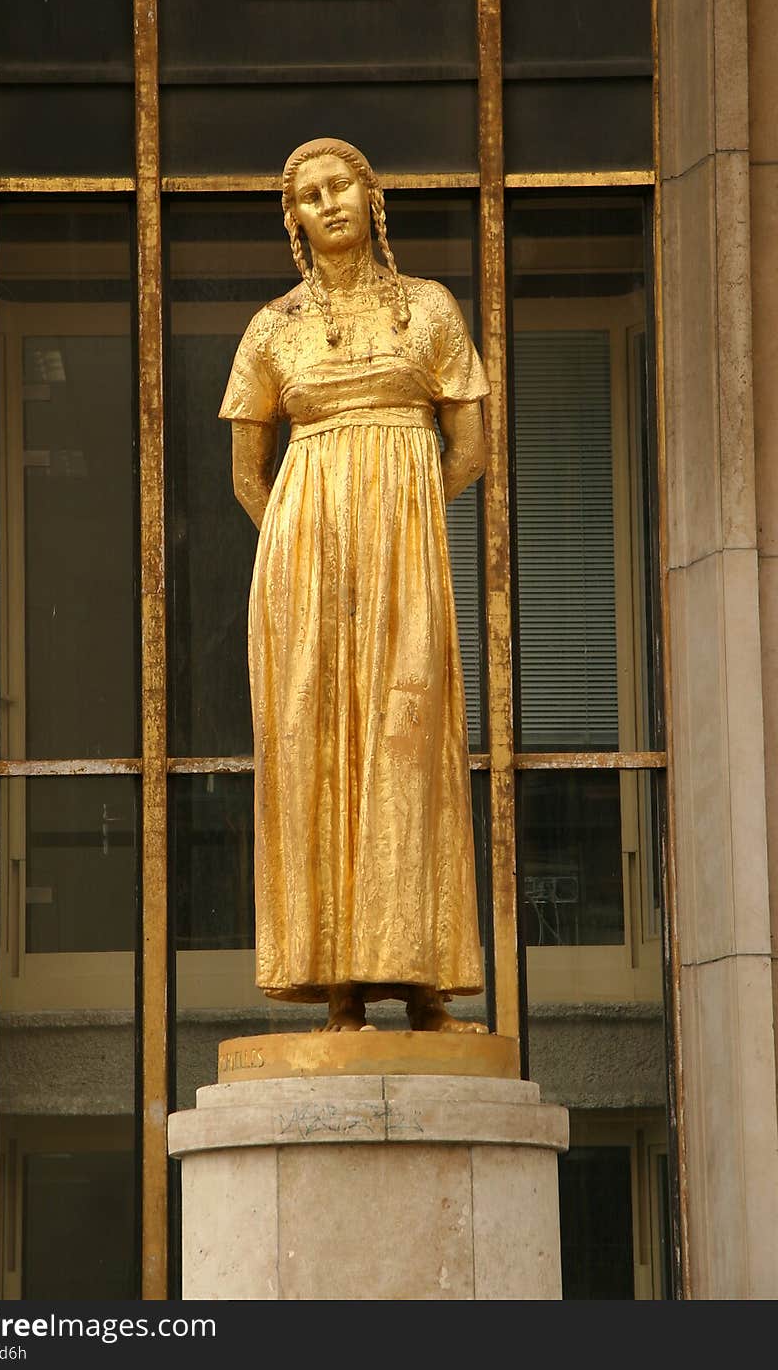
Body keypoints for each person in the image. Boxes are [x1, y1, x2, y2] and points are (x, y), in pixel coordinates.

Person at [220, 137, 488, 1033]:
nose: (328, 204)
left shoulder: (429, 310)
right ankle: (336, 981)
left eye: (341, 187)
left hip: (405, 556)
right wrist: (305, 544)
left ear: (371, 197)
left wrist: (397, 518)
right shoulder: (274, 327)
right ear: (293, 218)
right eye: (309, 195)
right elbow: (248, 472)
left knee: (410, 741)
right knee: (312, 744)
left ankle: (420, 979)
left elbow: (472, 449)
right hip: (303, 564)